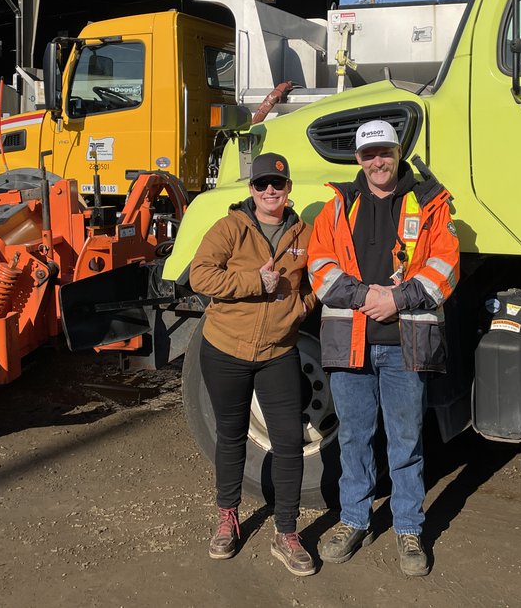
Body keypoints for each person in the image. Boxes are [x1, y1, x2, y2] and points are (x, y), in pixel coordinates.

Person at [308, 120, 459, 577]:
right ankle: (354, 520)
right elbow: (319, 267)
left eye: (385, 152)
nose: (378, 161)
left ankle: (409, 527)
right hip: (351, 344)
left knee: (406, 440)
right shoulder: (338, 206)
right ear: (358, 159)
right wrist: (364, 298)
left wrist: (396, 299)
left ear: (397, 153)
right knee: (354, 438)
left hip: (404, 347)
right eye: (369, 154)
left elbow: (445, 267)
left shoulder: (430, 204)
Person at [188, 152, 318, 577]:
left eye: (277, 184)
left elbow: (321, 278)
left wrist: (302, 307)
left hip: (278, 352)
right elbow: (200, 276)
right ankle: (228, 518)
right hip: (225, 349)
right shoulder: (230, 228)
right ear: (252, 190)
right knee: (230, 435)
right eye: (262, 184)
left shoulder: (304, 234)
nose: (269, 191)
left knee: (288, 442)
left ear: (288, 189)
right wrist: (254, 282)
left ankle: (287, 533)